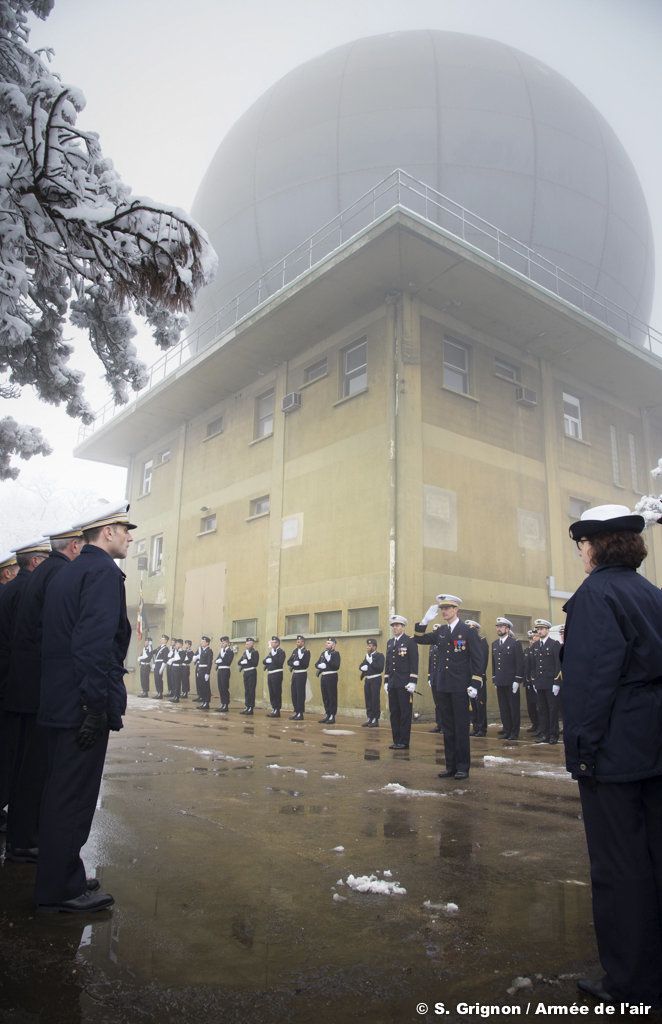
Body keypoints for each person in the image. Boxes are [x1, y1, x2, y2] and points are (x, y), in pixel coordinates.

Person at [563, 503, 662, 1009]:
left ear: (597, 547)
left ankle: (629, 983)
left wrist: (581, 751)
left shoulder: (595, 596)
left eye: (582, 545)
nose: (580, 552)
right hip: (653, 747)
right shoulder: (650, 594)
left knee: (620, 870)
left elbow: (591, 681)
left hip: (615, 753)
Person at [36, 501, 135, 913]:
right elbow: (93, 646)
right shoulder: (101, 573)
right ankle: (61, 891)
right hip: (81, 702)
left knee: (59, 791)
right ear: (106, 532)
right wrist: (95, 705)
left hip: (59, 699)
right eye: (125, 529)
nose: (130, 536)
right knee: (72, 797)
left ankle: (61, 877)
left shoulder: (70, 570)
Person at [4, 524, 83, 864]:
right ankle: (26, 839)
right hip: (37, 688)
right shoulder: (55, 574)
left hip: (24, 685)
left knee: (25, 763)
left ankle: (23, 836)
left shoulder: (41, 574)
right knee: (35, 767)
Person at [0, 539, 50, 846]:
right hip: (19, 684)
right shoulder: (27, 589)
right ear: (34, 562)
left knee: (10, 753)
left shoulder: (11, 589)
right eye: (45, 558)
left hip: (10, 682)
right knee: (17, 757)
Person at [415, 594, 484, 780]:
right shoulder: (442, 631)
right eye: (442, 608)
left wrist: (476, 682)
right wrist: (424, 621)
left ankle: (463, 767)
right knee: (448, 728)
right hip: (443, 686)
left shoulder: (467, 631)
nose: (444, 611)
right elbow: (419, 639)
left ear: (456, 610)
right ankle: (450, 766)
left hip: (460, 687)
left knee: (461, 728)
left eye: (448, 608)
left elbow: (478, 658)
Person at [384, 616, 418, 749]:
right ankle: (396, 740)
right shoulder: (390, 642)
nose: (395, 628)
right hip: (392, 683)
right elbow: (388, 663)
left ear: (403, 627)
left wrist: (413, 681)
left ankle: (404, 741)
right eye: (393, 625)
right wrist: (386, 680)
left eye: (398, 625)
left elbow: (414, 662)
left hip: (405, 684)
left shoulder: (410, 641)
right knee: (394, 712)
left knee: (405, 713)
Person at [491, 617, 525, 741]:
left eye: (501, 626)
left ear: (507, 628)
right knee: (503, 707)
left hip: (511, 681)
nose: (499, 629)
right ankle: (507, 729)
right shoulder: (494, 644)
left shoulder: (515, 643)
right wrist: (494, 678)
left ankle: (514, 732)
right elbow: (494, 664)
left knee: (513, 707)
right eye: (497, 626)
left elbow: (519, 663)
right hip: (500, 681)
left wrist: (517, 680)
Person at [530, 618, 562, 744]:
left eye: (542, 629)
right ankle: (545, 734)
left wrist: (557, 682)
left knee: (552, 710)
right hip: (540, 683)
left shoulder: (554, 644)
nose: (540, 631)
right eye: (538, 629)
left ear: (547, 630)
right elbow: (533, 665)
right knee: (542, 710)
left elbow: (558, 665)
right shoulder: (535, 646)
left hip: (550, 683)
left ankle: (553, 735)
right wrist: (534, 680)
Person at [465, 620, 488, 737]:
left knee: (480, 703)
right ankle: (475, 727)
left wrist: (479, 677)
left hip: (478, 678)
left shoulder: (482, 641)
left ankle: (482, 728)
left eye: (472, 628)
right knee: (472, 704)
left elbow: (482, 661)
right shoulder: (465, 642)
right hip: (468, 677)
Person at [359, 638, 384, 727]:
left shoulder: (380, 656)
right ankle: (369, 717)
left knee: (375, 699)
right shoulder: (367, 656)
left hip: (375, 679)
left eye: (370, 646)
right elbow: (361, 665)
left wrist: (371, 662)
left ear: (374, 647)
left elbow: (380, 668)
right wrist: (362, 668)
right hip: (368, 679)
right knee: (368, 699)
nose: (368, 647)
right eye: (368, 646)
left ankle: (375, 719)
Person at [315, 638, 340, 725]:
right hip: (324, 676)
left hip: (331, 676)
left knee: (331, 696)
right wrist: (320, 665)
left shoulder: (336, 654)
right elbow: (316, 664)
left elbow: (336, 666)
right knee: (325, 696)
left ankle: (332, 715)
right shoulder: (323, 653)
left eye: (329, 643)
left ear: (333, 645)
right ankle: (327, 714)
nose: (326, 644)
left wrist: (328, 661)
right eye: (326, 643)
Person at [287, 635, 310, 720]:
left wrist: (299, 663)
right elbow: (289, 661)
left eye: (299, 642)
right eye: (297, 642)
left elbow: (306, 664)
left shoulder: (306, 651)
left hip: (301, 673)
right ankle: (296, 711)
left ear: (303, 642)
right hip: (295, 673)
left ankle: (300, 713)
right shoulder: (295, 651)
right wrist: (293, 664)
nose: (297, 643)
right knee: (294, 693)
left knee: (300, 693)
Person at [263, 636, 285, 717]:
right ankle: (274, 708)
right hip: (270, 673)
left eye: (274, 642)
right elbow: (264, 661)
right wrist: (267, 660)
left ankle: (277, 709)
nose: (272, 644)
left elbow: (279, 663)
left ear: (278, 643)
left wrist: (272, 656)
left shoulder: (281, 652)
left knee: (277, 692)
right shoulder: (271, 652)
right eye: (272, 642)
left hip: (277, 673)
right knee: (271, 692)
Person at [523, 628, 540, 734]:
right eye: (530, 638)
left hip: (537, 682)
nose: (532, 639)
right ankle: (535, 724)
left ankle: (541, 726)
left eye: (534, 637)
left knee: (539, 705)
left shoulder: (538, 649)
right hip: (528, 682)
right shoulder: (527, 650)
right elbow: (525, 666)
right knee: (531, 705)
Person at [237, 637, 259, 714]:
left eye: (248, 644)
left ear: (252, 644)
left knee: (251, 690)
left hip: (252, 672)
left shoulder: (255, 652)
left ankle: (251, 708)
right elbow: (239, 662)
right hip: (246, 672)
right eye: (246, 644)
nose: (246, 645)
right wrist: (243, 662)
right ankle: (247, 706)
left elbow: (255, 663)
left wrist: (248, 659)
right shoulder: (245, 653)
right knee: (247, 690)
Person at [214, 635, 234, 712]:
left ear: (227, 643)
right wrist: (218, 661)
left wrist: (221, 660)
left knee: (225, 688)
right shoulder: (221, 651)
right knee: (220, 688)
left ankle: (226, 704)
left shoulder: (230, 651)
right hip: (220, 670)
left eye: (223, 642)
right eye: (221, 643)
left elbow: (228, 661)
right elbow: (216, 660)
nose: (222, 644)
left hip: (225, 670)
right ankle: (222, 703)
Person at [195, 636, 213, 710]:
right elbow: (200, 662)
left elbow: (209, 663)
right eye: (201, 642)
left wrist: (207, 673)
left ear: (207, 643)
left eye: (203, 642)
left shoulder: (209, 651)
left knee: (206, 687)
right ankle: (203, 702)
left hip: (205, 670)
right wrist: (198, 670)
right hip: (201, 670)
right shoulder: (203, 651)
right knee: (202, 686)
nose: (201, 643)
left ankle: (207, 702)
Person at [152, 635, 169, 700]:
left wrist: (162, 668)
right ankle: (158, 692)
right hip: (157, 664)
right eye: (161, 639)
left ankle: (160, 693)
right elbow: (152, 652)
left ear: (166, 641)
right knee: (156, 679)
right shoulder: (159, 647)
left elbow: (165, 660)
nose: (161, 640)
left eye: (162, 639)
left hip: (160, 665)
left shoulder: (166, 649)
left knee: (159, 679)